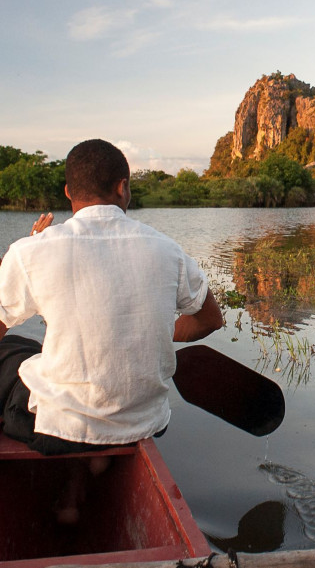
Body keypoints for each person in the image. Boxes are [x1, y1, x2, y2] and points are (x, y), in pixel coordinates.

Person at [0, 138, 223, 458]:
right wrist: (147, 333)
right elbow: (210, 319)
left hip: (63, 431)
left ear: (68, 192)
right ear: (123, 188)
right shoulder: (168, 250)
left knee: (9, 350)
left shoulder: (31, 251)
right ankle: (99, 467)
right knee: (29, 349)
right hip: (147, 422)